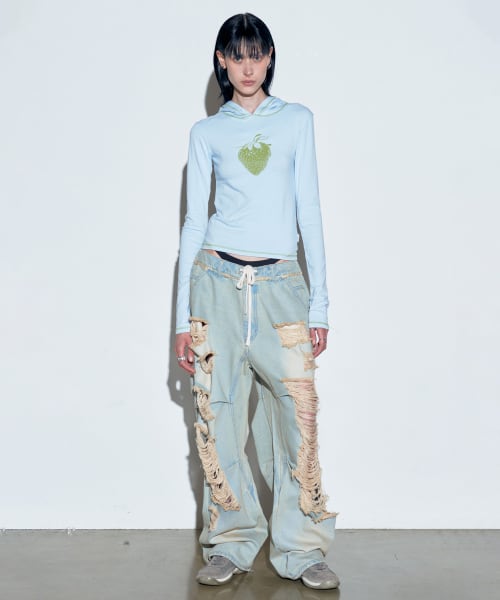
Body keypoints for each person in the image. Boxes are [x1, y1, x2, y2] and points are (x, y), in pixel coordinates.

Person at [174, 13, 339, 590]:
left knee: (298, 419)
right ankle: (230, 541)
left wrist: (319, 306)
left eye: (257, 54)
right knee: (217, 418)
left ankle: (303, 549)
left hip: (280, 287)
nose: (248, 67)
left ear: (269, 58)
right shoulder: (206, 132)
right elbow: (194, 224)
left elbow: (309, 210)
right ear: (222, 61)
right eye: (237, 56)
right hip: (215, 284)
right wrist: (183, 318)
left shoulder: (296, 121)